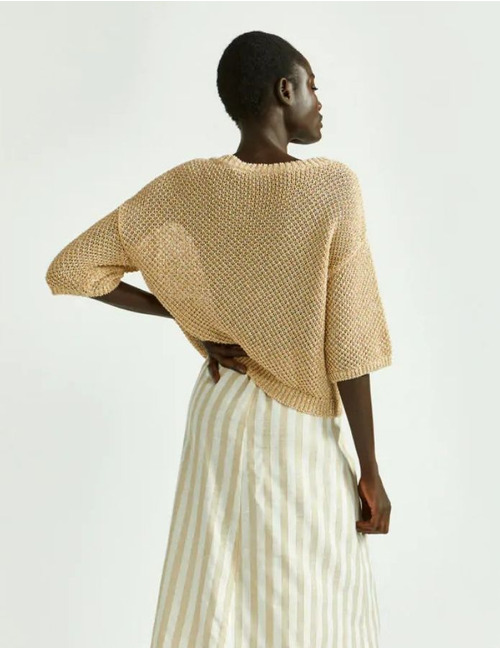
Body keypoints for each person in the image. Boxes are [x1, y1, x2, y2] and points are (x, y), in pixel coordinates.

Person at [45, 29, 392, 648]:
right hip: (295, 430)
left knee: (218, 595)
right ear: (284, 90)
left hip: (218, 407)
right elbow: (350, 344)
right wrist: (370, 470)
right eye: (312, 87)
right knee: (316, 602)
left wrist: (190, 319)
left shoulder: (188, 187)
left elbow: (73, 268)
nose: (319, 102)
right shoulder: (331, 187)